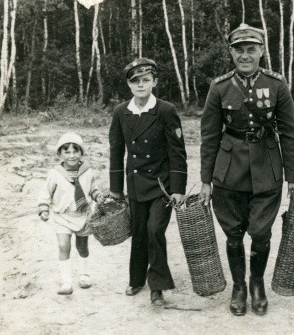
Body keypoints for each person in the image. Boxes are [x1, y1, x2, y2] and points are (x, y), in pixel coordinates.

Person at [199, 23, 294, 316]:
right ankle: (239, 286)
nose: (245, 55)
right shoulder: (219, 87)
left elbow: (290, 133)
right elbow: (209, 136)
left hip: (267, 169)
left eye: (251, 50)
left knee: (260, 233)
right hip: (228, 171)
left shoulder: (277, 84)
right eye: (239, 50)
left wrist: (293, 176)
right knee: (233, 234)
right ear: (231, 53)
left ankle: (257, 284)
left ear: (261, 51)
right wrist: (206, 180)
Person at [109, 58, 187, 306]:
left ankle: (158, 286)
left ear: (154, 82)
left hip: (161, 185)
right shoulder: (121, 112)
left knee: (155, 230)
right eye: (135, 81)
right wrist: (115, 189)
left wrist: (177, 189)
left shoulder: (165, 110)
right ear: (128, 84)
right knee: (140, 231)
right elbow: (116, 150)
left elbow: (177, 152)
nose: (140, 85)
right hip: (135, 184)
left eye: (145, 80)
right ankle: (136, 279)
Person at [38, 132, 105, 295]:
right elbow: (45, 192)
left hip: (83, 215)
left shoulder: (87, 171)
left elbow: (92, 188)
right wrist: (44, 209)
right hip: (63, 216)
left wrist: (98, 196)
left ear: (81, 152)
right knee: (63, 245)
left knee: (82, 246)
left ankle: (84, 274)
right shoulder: (55, 173)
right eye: (66, 152)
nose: (72, 155)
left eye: (75, 151)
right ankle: (66, 281)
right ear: (60, 154)